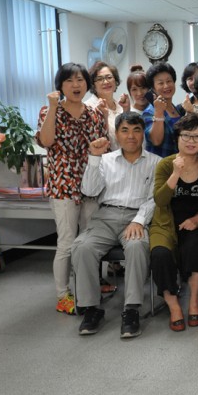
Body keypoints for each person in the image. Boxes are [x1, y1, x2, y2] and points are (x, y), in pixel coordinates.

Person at [72, 112, 160, 337]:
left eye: (136, 130)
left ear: (143, 134)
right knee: (82, 247)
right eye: (125, 130)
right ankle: (91, 308)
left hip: (136, 216)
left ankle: (131, 309)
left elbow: (154, 198)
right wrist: (93, 158)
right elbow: (89, 191)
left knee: (137, 246)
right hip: (106, 216)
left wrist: (139, 220)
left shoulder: (155, 162)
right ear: (117, 135)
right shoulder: (105, 160)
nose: (131, 136)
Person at [36, 63, 107, 315]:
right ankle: (62, 295)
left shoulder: (94, 113)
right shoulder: (49, 110)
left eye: (80, 80)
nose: (76, 85)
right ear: (60, 86)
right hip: (63, 183)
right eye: (69, 81)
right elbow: (46, 141)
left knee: (88, 241)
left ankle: (87, 287)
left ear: (87, 84)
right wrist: (53, 107)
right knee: (66, 242)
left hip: (91, 183)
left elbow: (104, 146)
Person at [149, 114, 198, 332]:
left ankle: (194, 300)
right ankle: (173, 305)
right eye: (186, 135)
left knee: (196, 247)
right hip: (165, 224)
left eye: (197, 137)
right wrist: (176, 173)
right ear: (177, 137)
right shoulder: (165, 165)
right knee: (160, 254)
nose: (191, 141)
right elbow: (160, 200)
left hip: (193, 224)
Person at [85, 61, 130, 151]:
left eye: (109, 77)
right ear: (93, 84)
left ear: (115, 81)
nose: (105, 82)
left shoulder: (122, 106)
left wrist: (127, 111)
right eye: (100, 79)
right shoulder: (88, 107)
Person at [142, 62, 183, 158]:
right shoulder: (149, 112)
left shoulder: (177, 109)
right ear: (153, 88)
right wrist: (159, 112)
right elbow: (156, 141)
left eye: (169, 81)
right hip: (160, 164)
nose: (166, 86)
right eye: (160, 83)